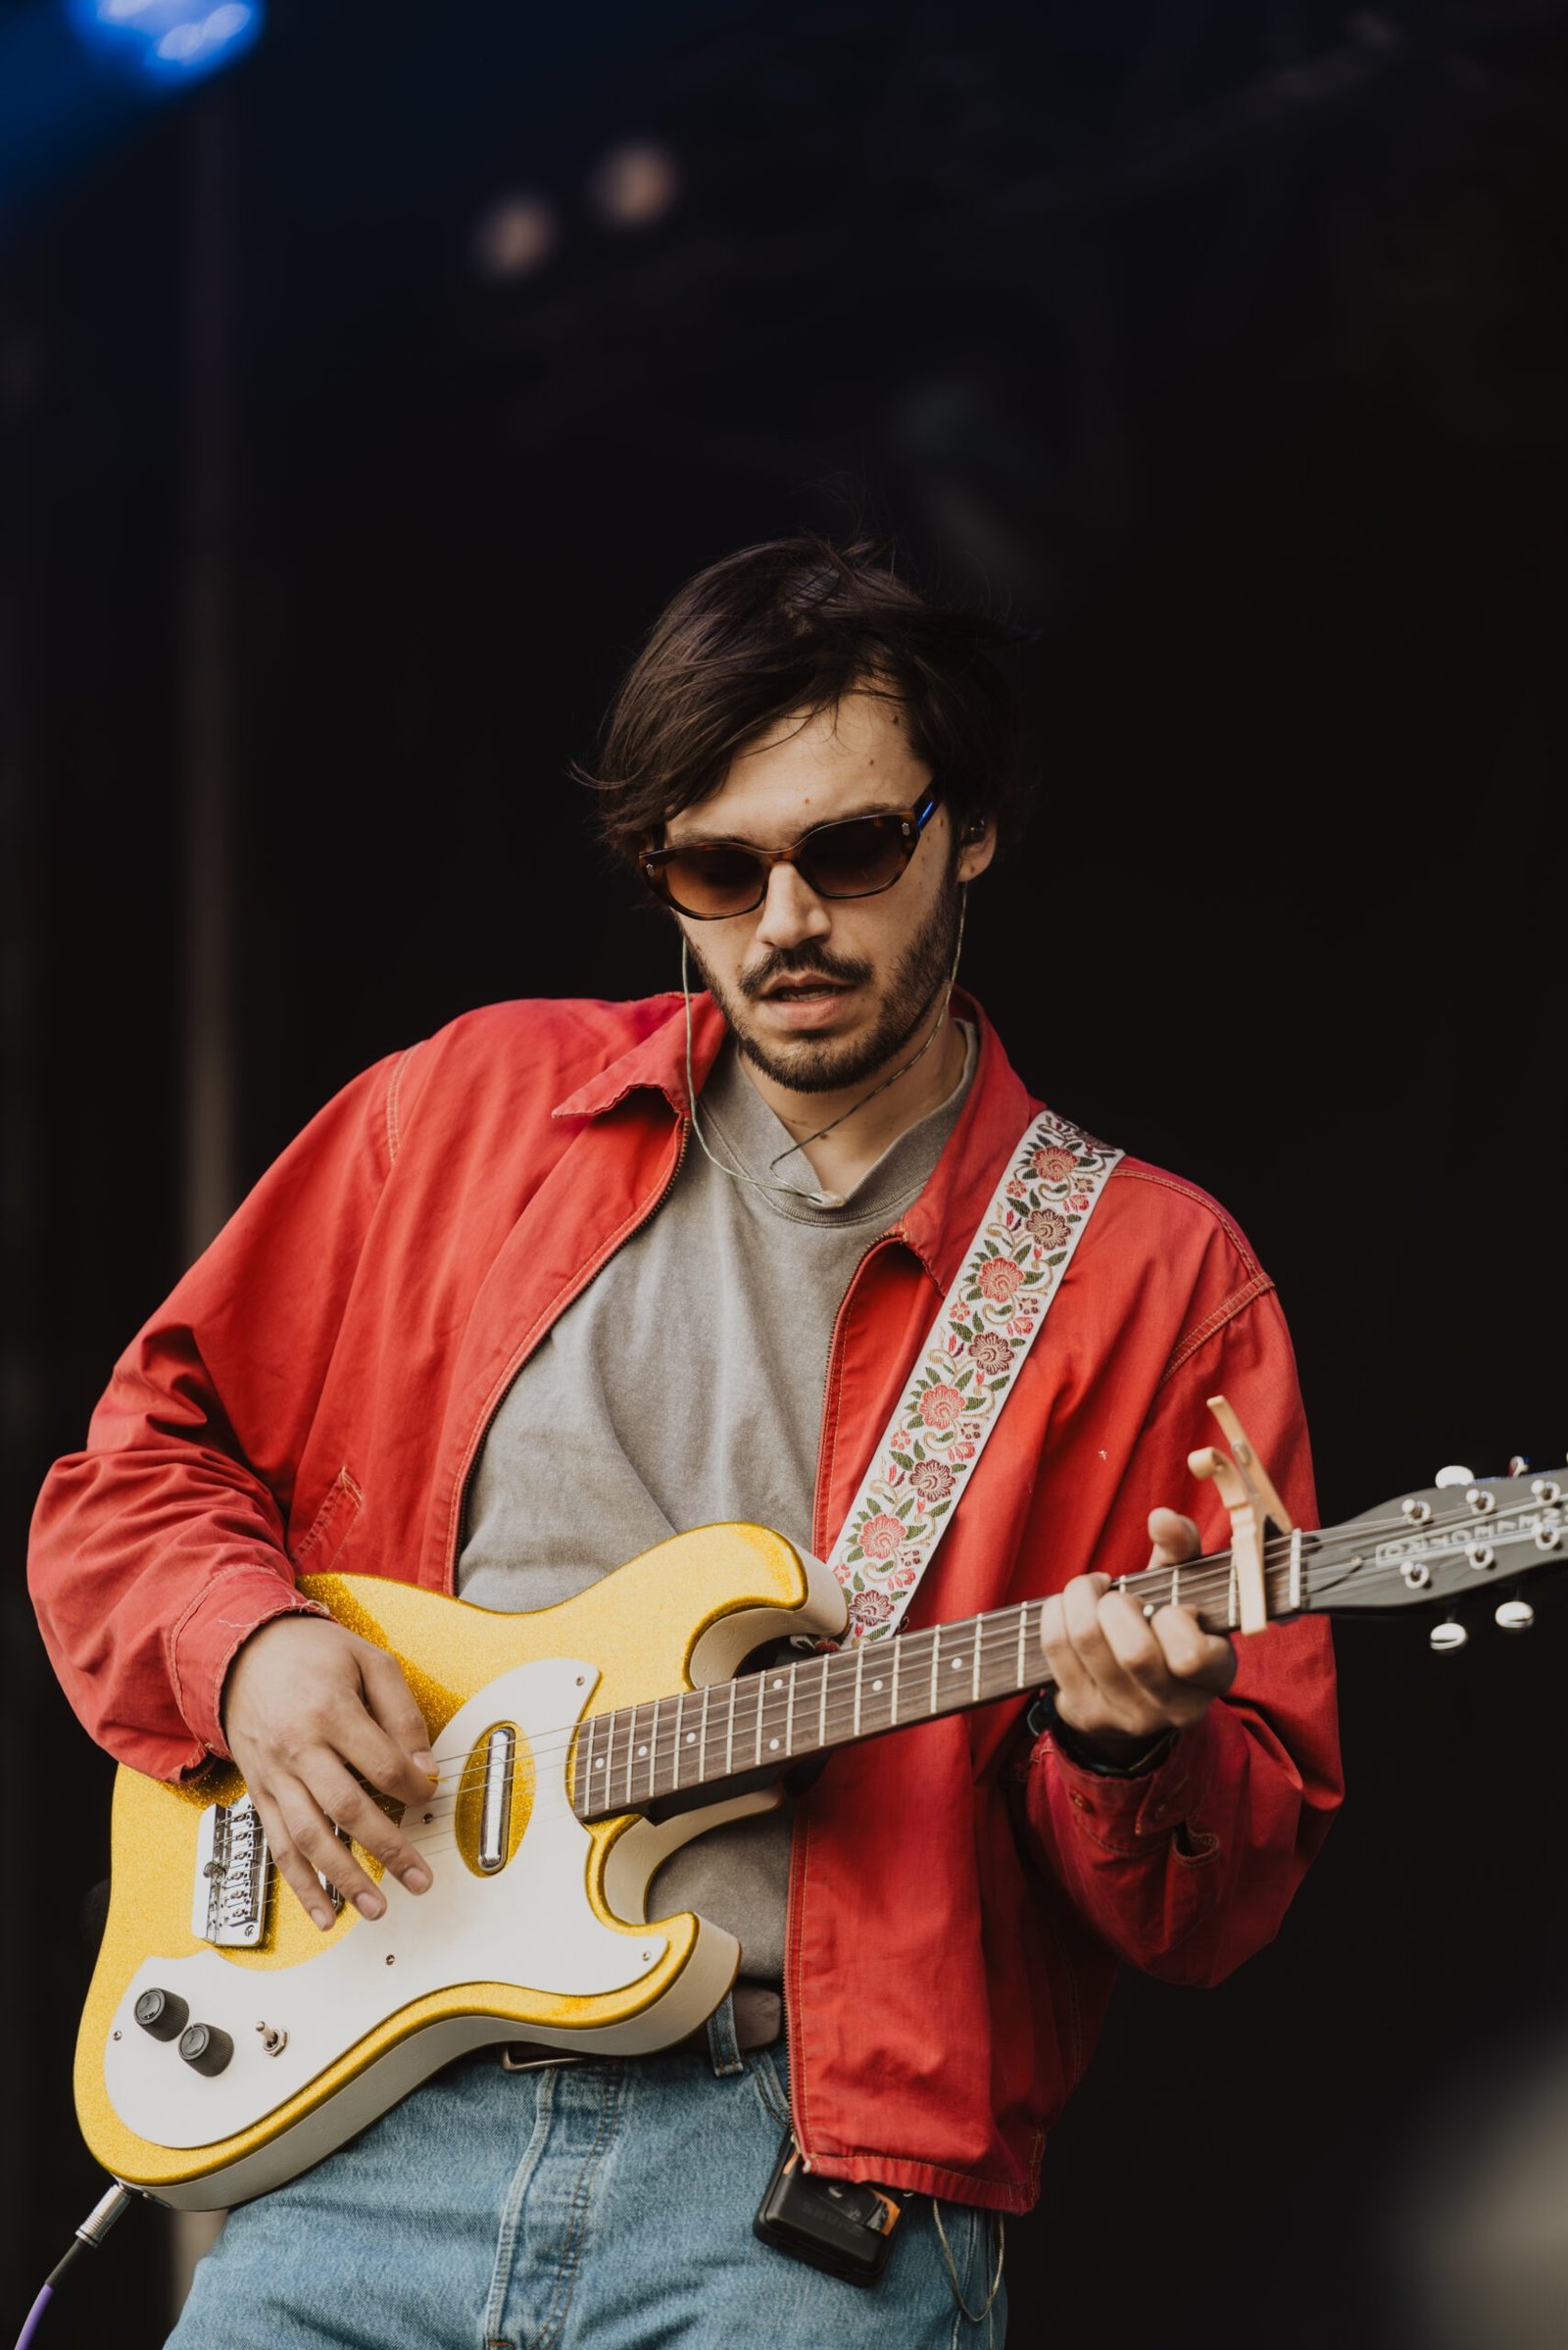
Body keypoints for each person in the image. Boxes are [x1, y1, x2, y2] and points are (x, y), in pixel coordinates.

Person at [29, 537, 1342, 2348]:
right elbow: (135, 1467)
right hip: (358, 2139)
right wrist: (248, 1650)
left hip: (801, 2187)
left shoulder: (1152, 1278)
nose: (785, 920)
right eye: (719, 869)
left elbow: (1219, 1900)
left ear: (967, 829)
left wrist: (1129, 1743)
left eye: (850, 850)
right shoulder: (466, 1112)